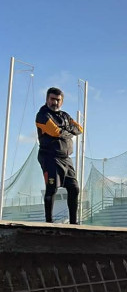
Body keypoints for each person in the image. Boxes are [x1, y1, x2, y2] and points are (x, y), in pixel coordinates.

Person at [35, 87, 83, 224]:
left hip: (66, 158)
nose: (55, 102)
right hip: (49, 156)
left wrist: (65, 131)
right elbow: (55, 132)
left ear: (61, 101)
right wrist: (68, 131)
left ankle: (74, 223)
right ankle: (48, 222)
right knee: (51, 189)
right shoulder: (42, 114)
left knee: (74, 188)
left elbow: (79, 129)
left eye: (58, 100)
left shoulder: (65, 115)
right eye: (52, 99)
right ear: (47, 99)